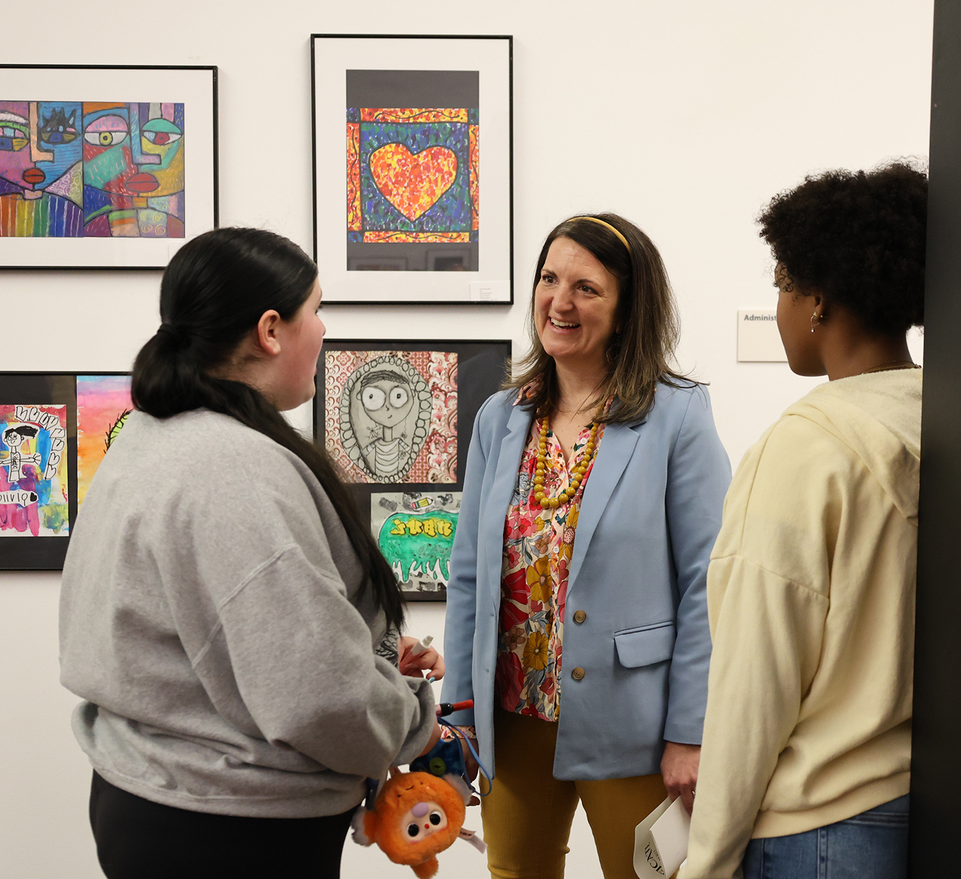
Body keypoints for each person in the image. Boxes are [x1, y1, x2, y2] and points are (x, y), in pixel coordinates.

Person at [58, 227, 441, 879]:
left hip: (158, 797)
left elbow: (231, 636)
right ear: (270, 330)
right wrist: (415, 720)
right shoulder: (234, 468)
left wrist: (370, 655)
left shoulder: (154, 435)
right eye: (316, 310)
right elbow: (317, 697)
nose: (322, 330)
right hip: (229, 828)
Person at [439, 213, 732, 879]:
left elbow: (707, 581)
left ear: (628, 309)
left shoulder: (677, 414)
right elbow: (469, 579)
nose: (560, 302)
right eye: (549, 279)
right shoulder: (501, 416)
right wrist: (460, 711)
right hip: (510, 721)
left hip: (633, 724)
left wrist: (691, 731)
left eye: (586, 288)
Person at [681, 161, 927, 879]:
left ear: (817, 300)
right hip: (921, 806)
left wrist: (707, 860)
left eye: (782, 285)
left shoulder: (805, 445)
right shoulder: (933, 418)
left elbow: (755, 681)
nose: (781, 307)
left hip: (821, 827)